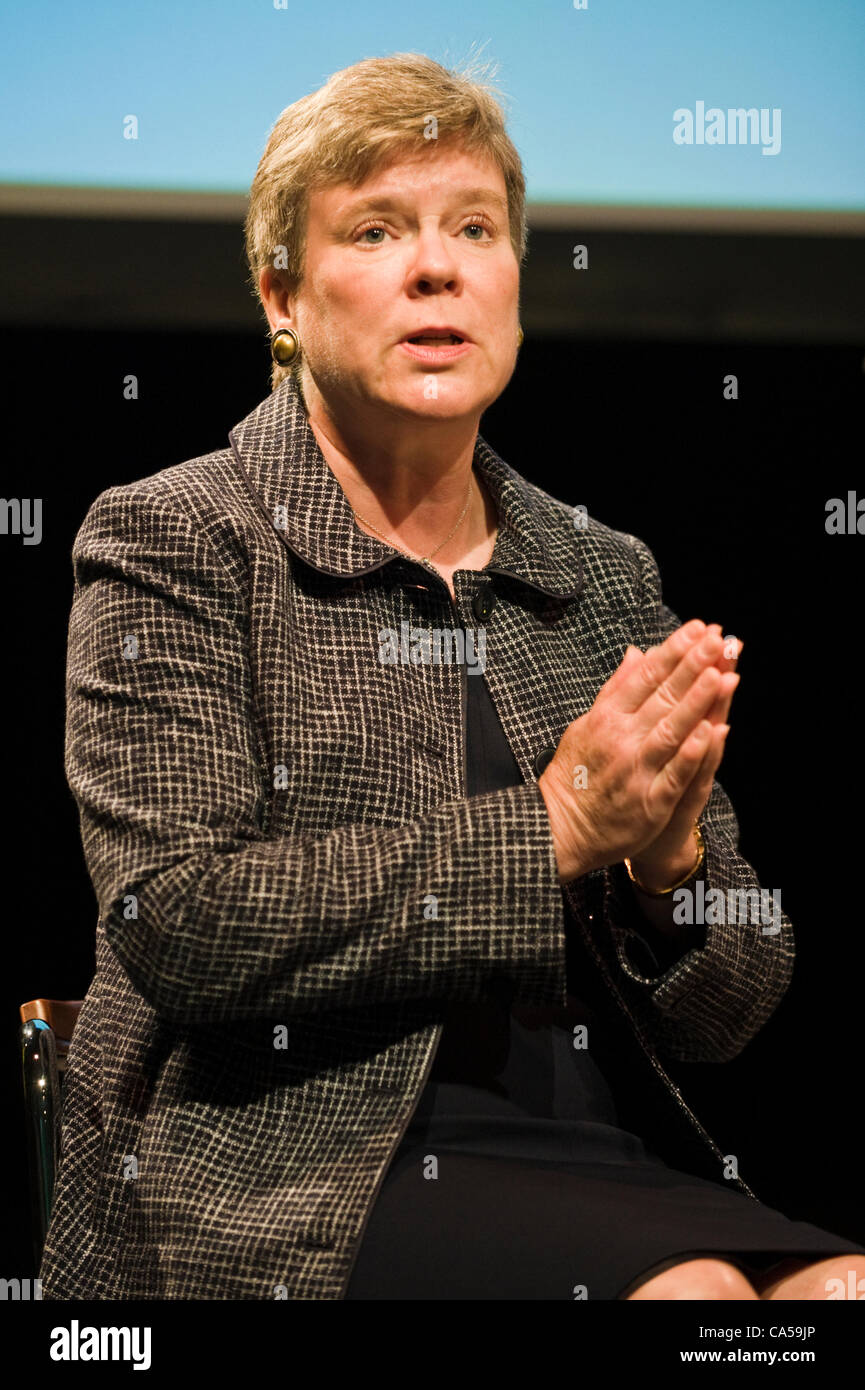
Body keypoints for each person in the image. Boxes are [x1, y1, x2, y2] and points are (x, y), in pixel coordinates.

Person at [40, 52, 865, 1301]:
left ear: (514, 285)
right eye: (376, 230)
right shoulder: (179, 540)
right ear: (281, 294)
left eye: (473, 228)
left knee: (835, 1291)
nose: (438, 267)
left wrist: (671, 868)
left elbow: (729, 1012)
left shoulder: (593, 571)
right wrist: (554, 826)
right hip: (290, 1169)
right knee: (692, 1302)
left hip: (596, 1152)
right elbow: (181, 917)